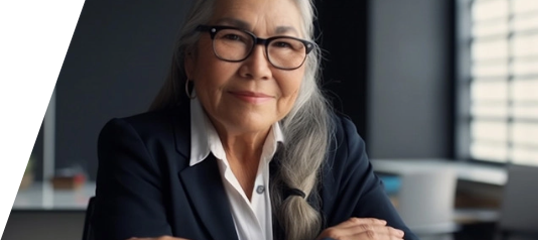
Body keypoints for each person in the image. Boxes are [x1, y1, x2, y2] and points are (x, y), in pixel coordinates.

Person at [92, 0, 419, 239]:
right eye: (233, 37)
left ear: (304, 67)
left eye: (283, 44)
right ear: (190, 59)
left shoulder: (337, 144)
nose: (258, 68)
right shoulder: (137, 147)